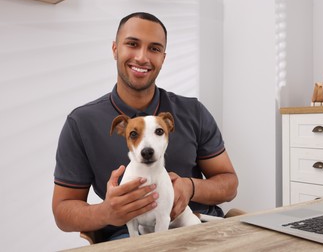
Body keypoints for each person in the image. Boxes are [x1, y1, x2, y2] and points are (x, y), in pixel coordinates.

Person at [52, 12, 238, 242]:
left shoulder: (193, 111)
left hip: (197, 227)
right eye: (132, 44)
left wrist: (190, 187)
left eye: (154, 48)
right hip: (129, 236)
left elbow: (229, 184)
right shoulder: (81, 123)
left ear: (163, 57)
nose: (142, 57)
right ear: (115, 49)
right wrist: (107, 211)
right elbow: (62, 212)